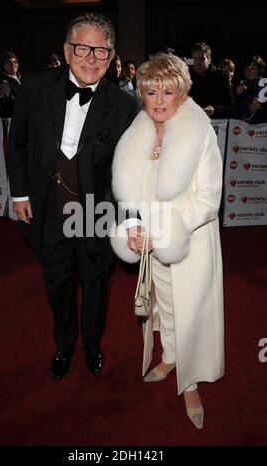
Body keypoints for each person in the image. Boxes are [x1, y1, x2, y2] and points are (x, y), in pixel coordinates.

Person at [7, 12, 137, 380]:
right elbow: (17, 145)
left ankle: (92, 345)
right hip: (48, 208)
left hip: (95, 212)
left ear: (112, 58)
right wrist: (19, 195)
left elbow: (128, 172)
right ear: (67, 50)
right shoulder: (34, 86)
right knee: (58, 283)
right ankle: (64, 345)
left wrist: (130, 219)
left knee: (95, 286)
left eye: (101, 51)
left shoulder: (125, 107)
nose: (91, 58)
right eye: (83, 48)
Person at [110, 53, 224, 430]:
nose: (158, 100)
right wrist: (136, 226)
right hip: (153, 243)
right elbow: (133, 192)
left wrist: (167, 230)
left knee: (190, 310)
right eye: (151, 92)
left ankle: (189, 383)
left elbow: (209, 201)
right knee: (167, 308)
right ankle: (172, 357)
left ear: (183, 93)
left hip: (189, 238)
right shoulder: (139, 130)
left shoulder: (199, 131)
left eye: (168, 91)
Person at [189, 42, 234, 118]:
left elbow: (231, 108)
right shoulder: (187, 78)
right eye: (195, 59)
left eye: (202, 59)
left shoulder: (221, 77)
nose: (198, 63)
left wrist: (214, 110)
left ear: (209, 59)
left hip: (216, 125)